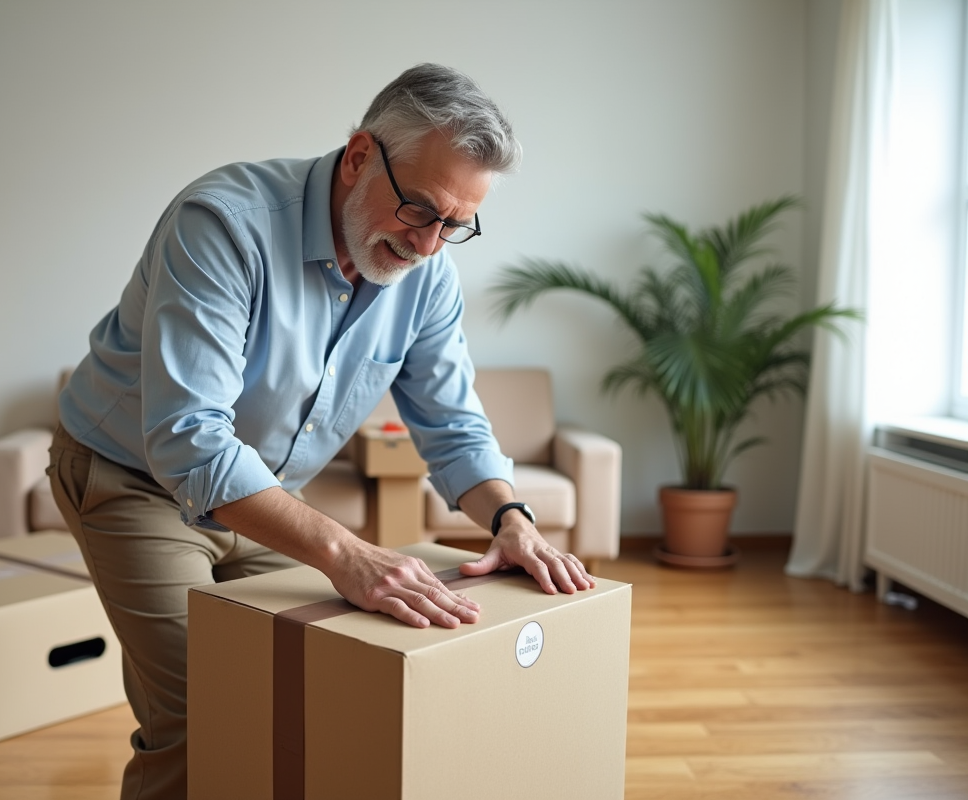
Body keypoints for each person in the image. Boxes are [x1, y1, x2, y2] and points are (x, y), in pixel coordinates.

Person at [47, 62, 597, 800]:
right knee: (210, 705)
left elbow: (452, 421)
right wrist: (346, 553)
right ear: (359, 156)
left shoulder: (426, 275)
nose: (429, 245)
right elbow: (188, 439)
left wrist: (511, 519)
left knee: (295, 678)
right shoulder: (223, 224)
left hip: (265, 495)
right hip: (133, 479)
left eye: (455, 226)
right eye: (419, 211)